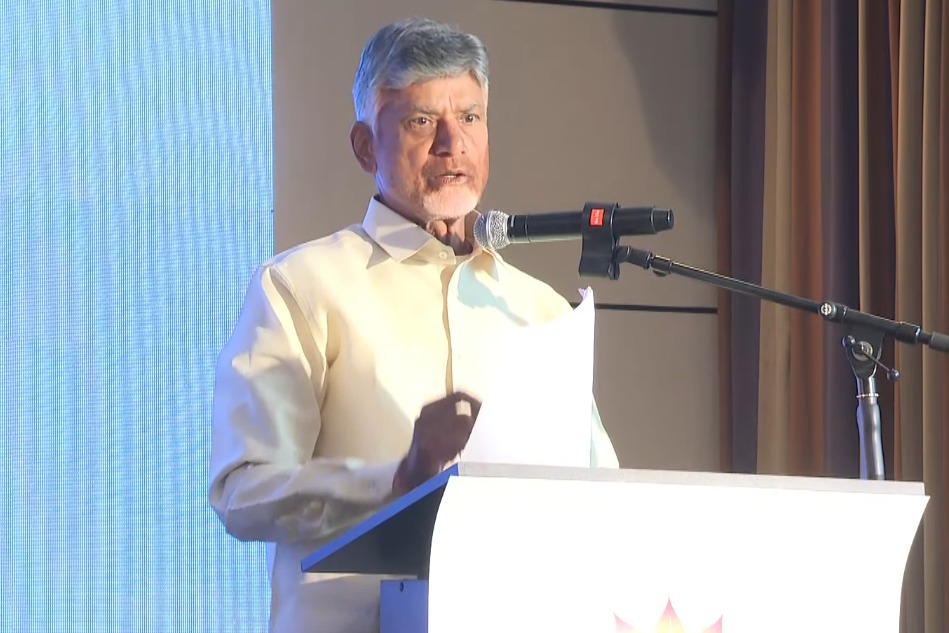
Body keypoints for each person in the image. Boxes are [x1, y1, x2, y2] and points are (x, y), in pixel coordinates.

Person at [208, 16, 619, 633]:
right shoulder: (301, 287)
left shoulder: (541, 311)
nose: (452, 144)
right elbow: (242, 493)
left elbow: (604, 495)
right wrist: (396, 481)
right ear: (365, 146)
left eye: (471, 117)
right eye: (422, 121)